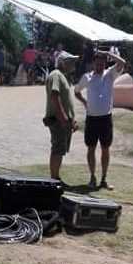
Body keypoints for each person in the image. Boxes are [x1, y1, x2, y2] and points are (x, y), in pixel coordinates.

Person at [74, 48, 126, 190]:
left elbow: (122, 63)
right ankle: (92, 177)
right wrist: (84, 102)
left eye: (102, 64)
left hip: (105, 119)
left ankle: (103, 179)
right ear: (93, 63)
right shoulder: (87, 77)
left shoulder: (110, 74)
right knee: (91, 148)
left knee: (105, 148)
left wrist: (109, 54)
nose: (99, 66)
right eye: (97, 64)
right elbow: (76, 91)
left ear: (105, 63)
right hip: (91, 118)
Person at [44, 52, 79, 182]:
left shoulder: (63, 76)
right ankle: (54, 179)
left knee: (60, 149)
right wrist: (63, 118)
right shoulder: (56, 75)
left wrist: (71, 119)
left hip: (62, 120)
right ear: (63, 63)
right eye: (71, 61)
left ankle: (56, 177)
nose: (73, 64)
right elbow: (55, 96)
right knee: (57, 149)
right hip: (58, 120)